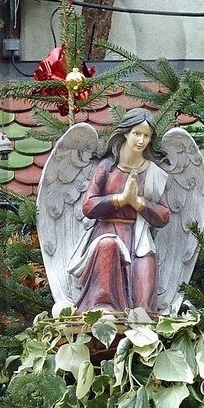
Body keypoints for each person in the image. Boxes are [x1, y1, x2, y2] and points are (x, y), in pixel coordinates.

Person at [70, 112, 171, 316]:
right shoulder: (107, 167)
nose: (141, 140)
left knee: (144, 281)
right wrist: (120, 199)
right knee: (108, 247)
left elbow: (163, 215)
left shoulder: (153, 172)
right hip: (107, 231)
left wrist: (137, 203)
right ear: (126, 133)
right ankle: (103, 307)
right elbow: (88, 206)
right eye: (136, 133)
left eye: (146, 135)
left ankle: (142, 321)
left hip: (138, 236)